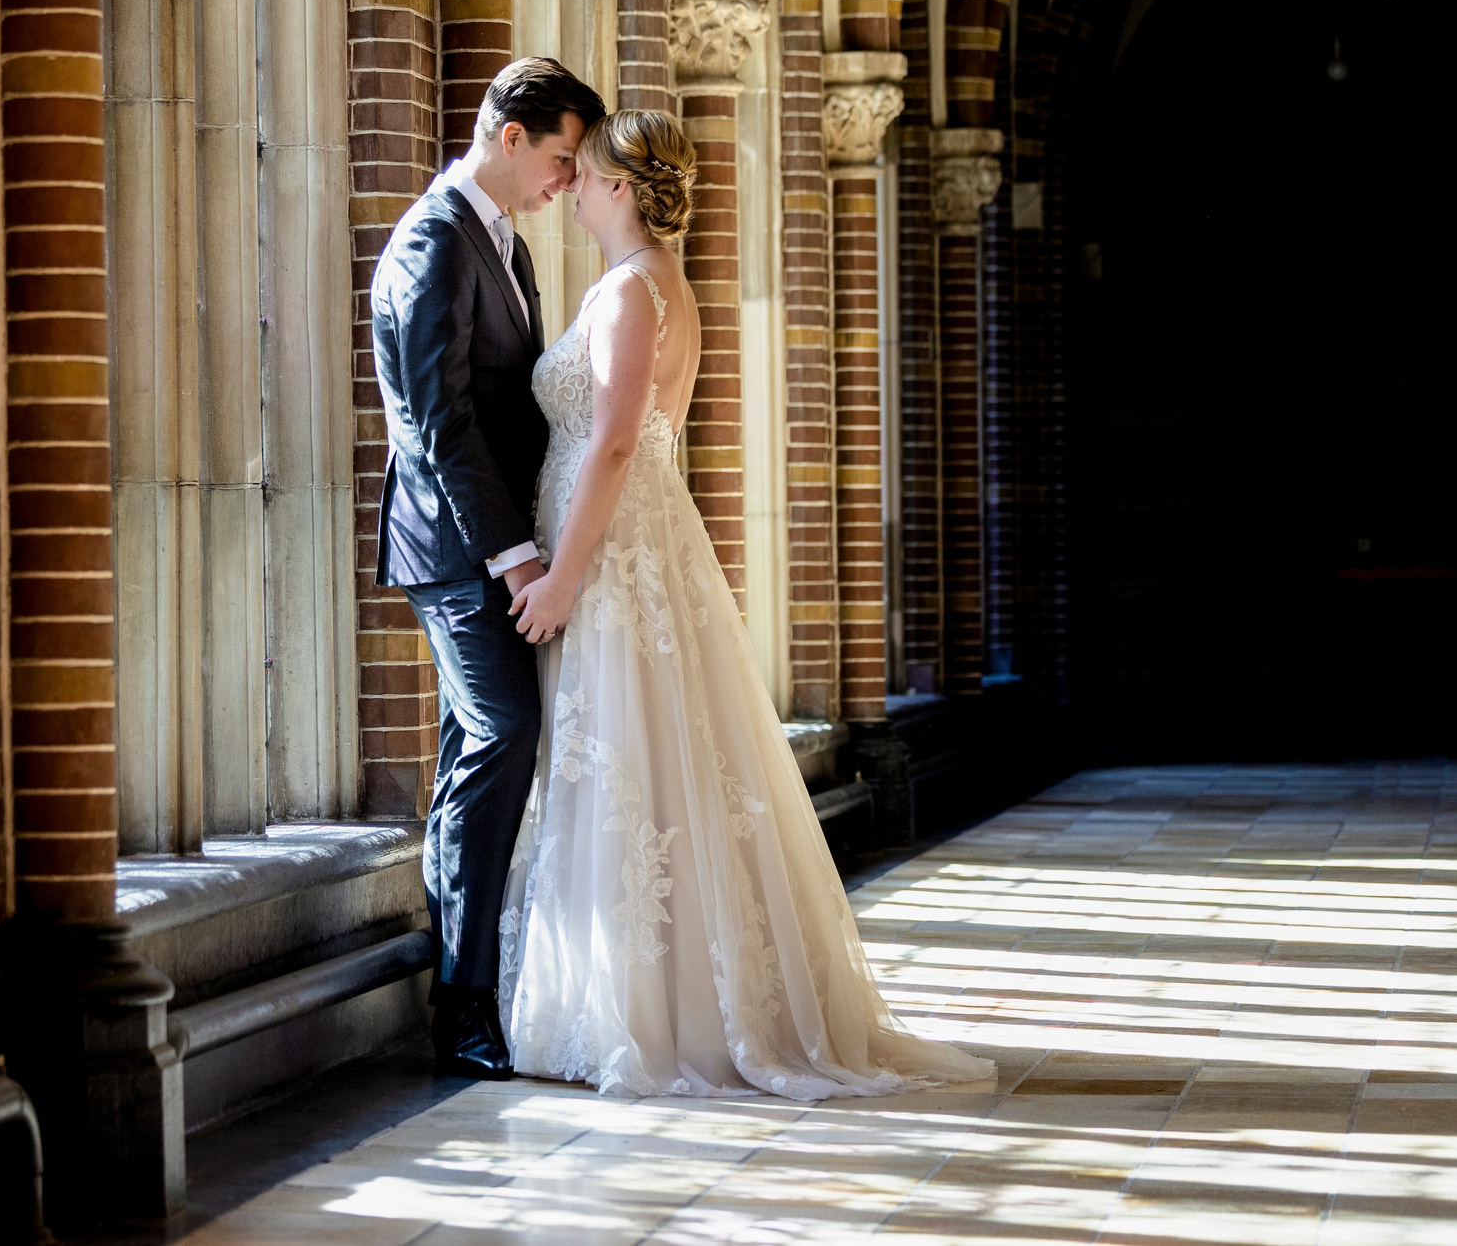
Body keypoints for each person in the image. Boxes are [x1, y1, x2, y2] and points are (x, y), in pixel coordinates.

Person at [497, 105, 994, 1098]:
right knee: (632, 764)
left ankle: (653, 1013)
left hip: (617, 549)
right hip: (625, 543)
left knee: (632, 759)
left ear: (621, 189)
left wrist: (558, 575)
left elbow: (613, 441)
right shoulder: (635, 283)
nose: (576, 187)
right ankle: (625, 995)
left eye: (587, 174)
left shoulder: (635, 291)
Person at [369, 58, 605, 1080]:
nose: (565, 179)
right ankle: (462, 1004)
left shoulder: (502, 240)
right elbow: (439, 421)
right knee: (501, 733)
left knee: (483, 741)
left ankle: (473, 975)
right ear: (509, 136)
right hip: (459, 547)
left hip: (500, 539)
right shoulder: (432, 239)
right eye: (558, 157)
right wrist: (515, 556)